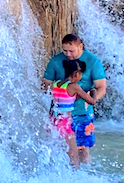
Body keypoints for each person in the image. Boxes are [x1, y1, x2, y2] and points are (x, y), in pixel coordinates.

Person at [42, 33, 107, 162]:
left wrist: (91, 95)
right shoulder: (56, 61)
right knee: (64, 149)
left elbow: (102, 87)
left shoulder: (93, 61)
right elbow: (45, 85)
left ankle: (83, 175)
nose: (68, 54)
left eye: (71, 51)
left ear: (80, 47)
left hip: (82, 112)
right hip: (61, 114)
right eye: (65, 50)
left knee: (83, 148)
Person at [48, 59, 98, 168]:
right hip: (65, 123)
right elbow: (91, 101)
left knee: (57, 152)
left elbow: (60, 100)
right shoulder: (74, 86)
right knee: (74, 157)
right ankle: (75, 179)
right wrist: (94, 91)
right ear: (76, 74)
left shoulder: (56, 84)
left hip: (54, 121)